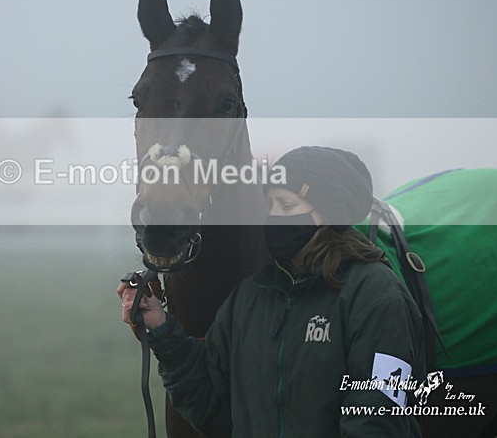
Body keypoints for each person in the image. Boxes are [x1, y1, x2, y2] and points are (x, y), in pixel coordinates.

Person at [118, 146, 426, 437]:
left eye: (288, 205)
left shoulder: (376, 295)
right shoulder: (249, 297)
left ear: (331, 213)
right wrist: (161, 328)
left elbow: (380, 419)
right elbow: (213, 408)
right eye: (271, 205)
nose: (275, 217)